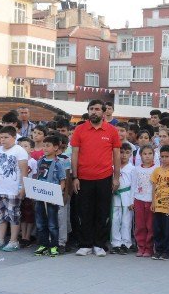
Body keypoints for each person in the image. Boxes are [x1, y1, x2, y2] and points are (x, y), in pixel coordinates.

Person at [71, 100, 121, 257]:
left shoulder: (112, 130)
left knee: (102, 212)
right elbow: (74, 154)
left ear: (104, 112)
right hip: (84, 178)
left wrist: (116, 177)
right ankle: (85, 244)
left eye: (97, 109)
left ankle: (99, 244)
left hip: (105, 177)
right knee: (84, 212)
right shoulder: (80, 130)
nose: (94, 111)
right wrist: (75, 177)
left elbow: (117, 155)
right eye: (91, 109)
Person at [0, 126, 29, 252]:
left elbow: (24, 171)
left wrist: (22, 187)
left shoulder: (19, 151)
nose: (3, 140)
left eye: (6, 137)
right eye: (1, 137)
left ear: (14, 137)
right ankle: (0, 240)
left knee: (13, 216)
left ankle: (13, 241)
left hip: (13, 190)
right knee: (0, 216)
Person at [32, 135, 67, 257]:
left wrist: (57, 194)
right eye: (44, 146)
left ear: (56, 147)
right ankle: (43, 244)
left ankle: (54, 245)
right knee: (40, 222)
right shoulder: (40, 161)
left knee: (53, 223)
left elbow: (62, 181)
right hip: (40, 196)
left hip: (52, 197)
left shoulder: (58, 163)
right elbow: (37, 177)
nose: (45, 148)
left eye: (48, 146)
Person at [151, 146, 169, 261]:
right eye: (162, 157)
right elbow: (154, 186)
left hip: (168, 204)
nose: (164, 159)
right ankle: (158, 250)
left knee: (167, 229)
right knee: (157, 228)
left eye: (167, 157)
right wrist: (153, 202)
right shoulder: (157, 170)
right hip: (157, 204)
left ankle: (167, 251)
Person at [110, 143, 135, 255]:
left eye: (127, 153)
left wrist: (132, 200)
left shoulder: (132, 169)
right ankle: (116, 243)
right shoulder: (113, 167)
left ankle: (126, 243)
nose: (124, 155)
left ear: (131, 154)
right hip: (116, 195)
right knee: (115, 220)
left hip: (127, 195)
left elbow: (134, 186)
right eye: (121, 152)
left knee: (126, 221)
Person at [132, 145, 155, 258]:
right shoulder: (136, 169)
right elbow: (133, 185)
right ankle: (141, 246)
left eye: (150, 153)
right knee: (140, 225)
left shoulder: (156, 169)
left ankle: (149, 248)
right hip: (139, 199)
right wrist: (132, 200)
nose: (147, 156)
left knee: (150, 225)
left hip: (151, 200)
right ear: (140, 156)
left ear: (153, 155)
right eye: (145, 154)